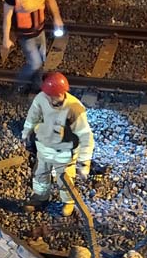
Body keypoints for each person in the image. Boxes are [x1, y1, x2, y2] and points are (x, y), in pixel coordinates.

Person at [20, 72, 93, 217]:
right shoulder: (41, 98)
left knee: (64, 180)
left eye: (57, 95)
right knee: (40, 176)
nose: (54, 99)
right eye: (51, 95)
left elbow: (85, 135)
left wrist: (85, 161)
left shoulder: (74, 108)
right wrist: (26, 133)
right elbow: (32, 117)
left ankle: (68, 202)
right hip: (45, 148)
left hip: (64, 153)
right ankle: (40, 198)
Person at [1, 0, 64, 92]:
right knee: (35, 63)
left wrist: (57, 17)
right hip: (26, 36)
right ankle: (18, 86)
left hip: (39, 31)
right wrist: (6, 38)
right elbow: (7, 17)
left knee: (41, 60)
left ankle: (37, 85)